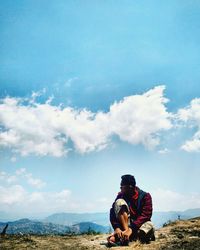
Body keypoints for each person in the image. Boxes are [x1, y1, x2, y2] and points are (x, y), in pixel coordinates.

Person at [108, 174, 155, 246]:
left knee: (150, 225)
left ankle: (124, 237)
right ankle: (125, 236)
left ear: (129, 187)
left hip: (138, 226)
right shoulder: (121, 196)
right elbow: (112, 212)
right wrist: (116, 228)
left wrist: (131, 229)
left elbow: (146, 215)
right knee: (119, 202)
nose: (120, 189)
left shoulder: (145, 196)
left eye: (121, 187)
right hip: (125, 227)